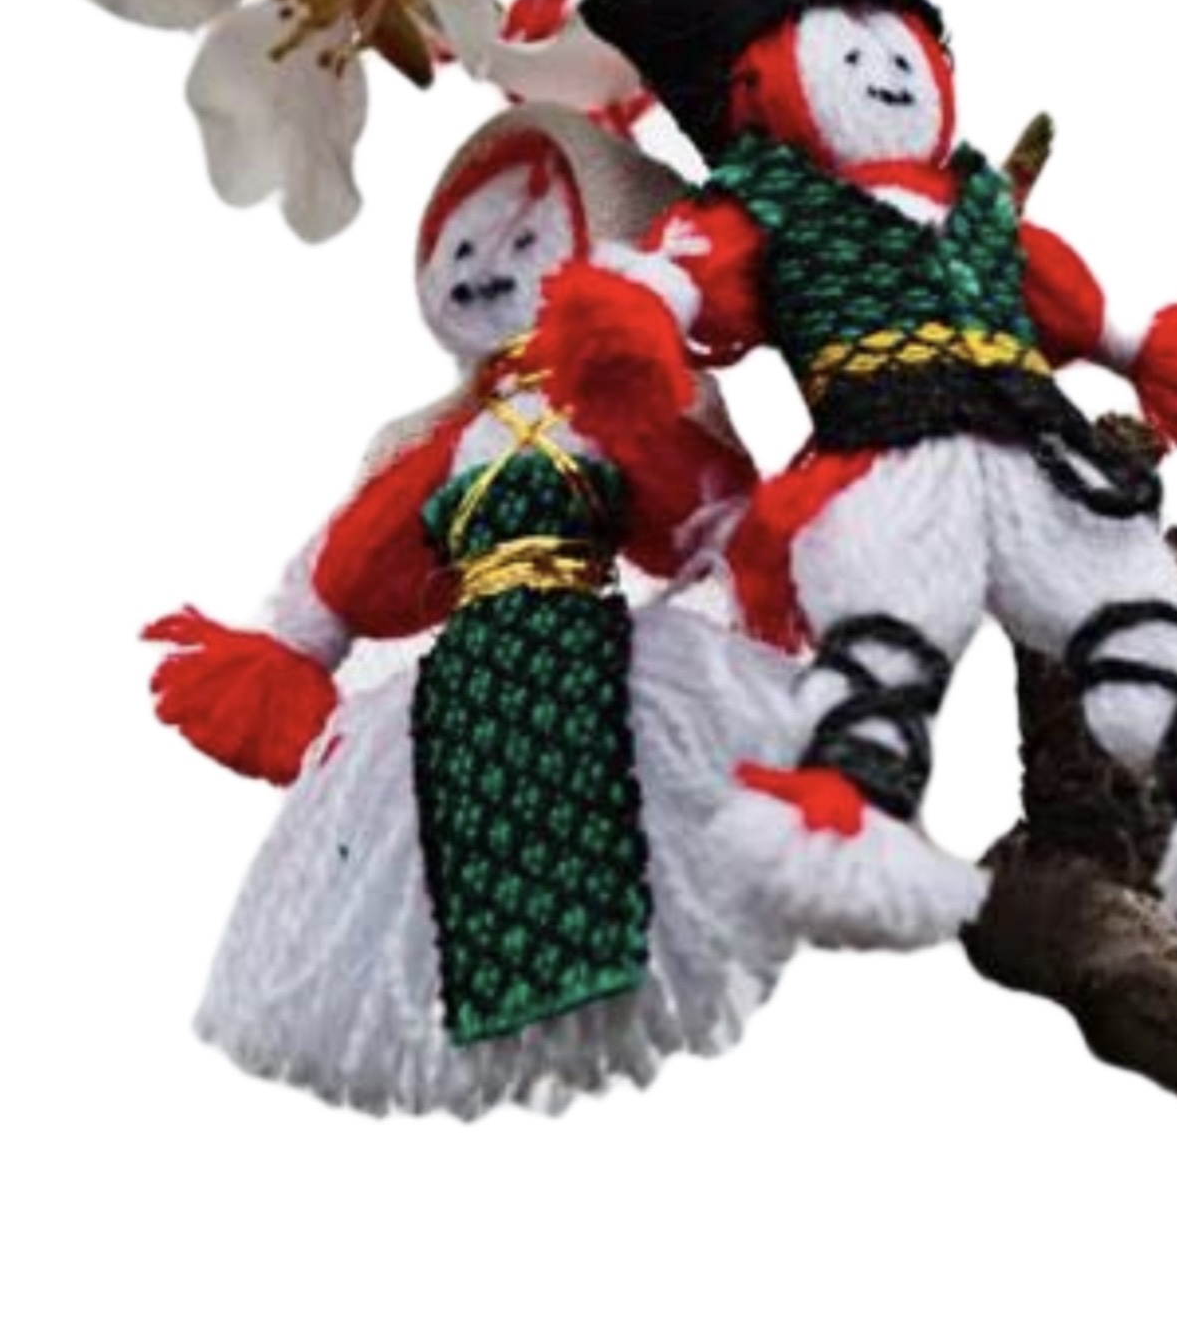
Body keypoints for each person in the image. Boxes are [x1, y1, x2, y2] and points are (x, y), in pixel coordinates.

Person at [574, 0, 1177, 949]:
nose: (882, 72)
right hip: (883, 454)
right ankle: (845, 818)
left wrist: (1145, 347)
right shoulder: (767, 200)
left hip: (1038, 444)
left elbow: (1074, 306)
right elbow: (692, 277)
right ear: (753, 85)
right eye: (844, 53)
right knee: (890, 630)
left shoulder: (979, 207)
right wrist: (639, 310)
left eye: (900, 48)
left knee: (1129, 604)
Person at [147, 104, 801, 1115]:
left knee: (608, 810)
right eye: (460, 248)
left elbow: (694, 513)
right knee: (472, 836)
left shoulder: (615, 406)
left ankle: (611, 978)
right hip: (471, 682)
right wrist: (297, 641)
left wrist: (746, 560)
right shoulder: (448, 442)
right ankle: (511, 1002)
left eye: (526, 240)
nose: (485, 268)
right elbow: (361, 553)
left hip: (585, 650)